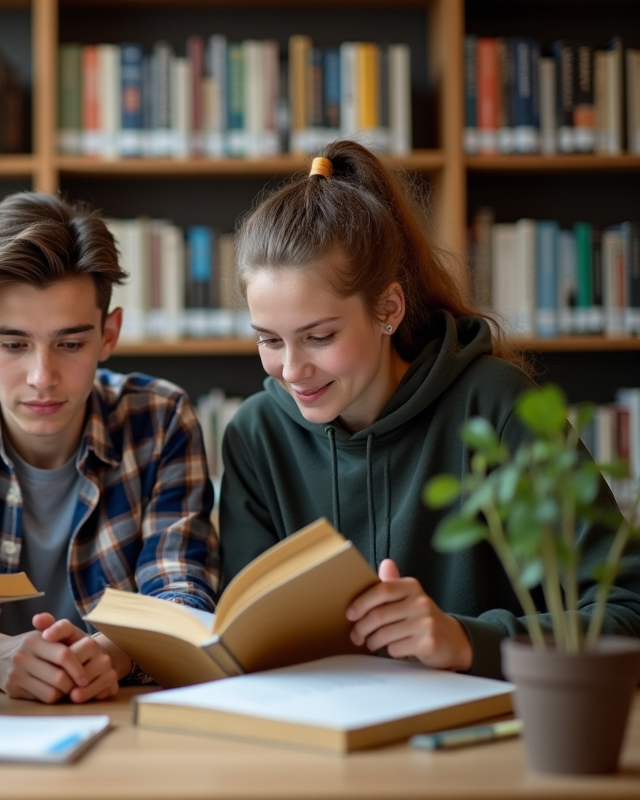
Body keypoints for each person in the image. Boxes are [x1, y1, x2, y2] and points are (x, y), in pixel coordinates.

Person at [218, 139, 640, 679]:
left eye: (319, 336)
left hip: (489, 744)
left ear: (388, 309)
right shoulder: (256, 435)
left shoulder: (496, 405)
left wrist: (467, 639)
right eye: (268, 340)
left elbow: (628, 614)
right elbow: (248, 636)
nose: (293, 369)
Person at [0, 192, 219, 703]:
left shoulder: (161, 419)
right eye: (13, 345)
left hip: (117, 712)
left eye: (71, 344)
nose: (42, 377)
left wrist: (110, 653)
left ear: (109, 334)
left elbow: (183, 593)